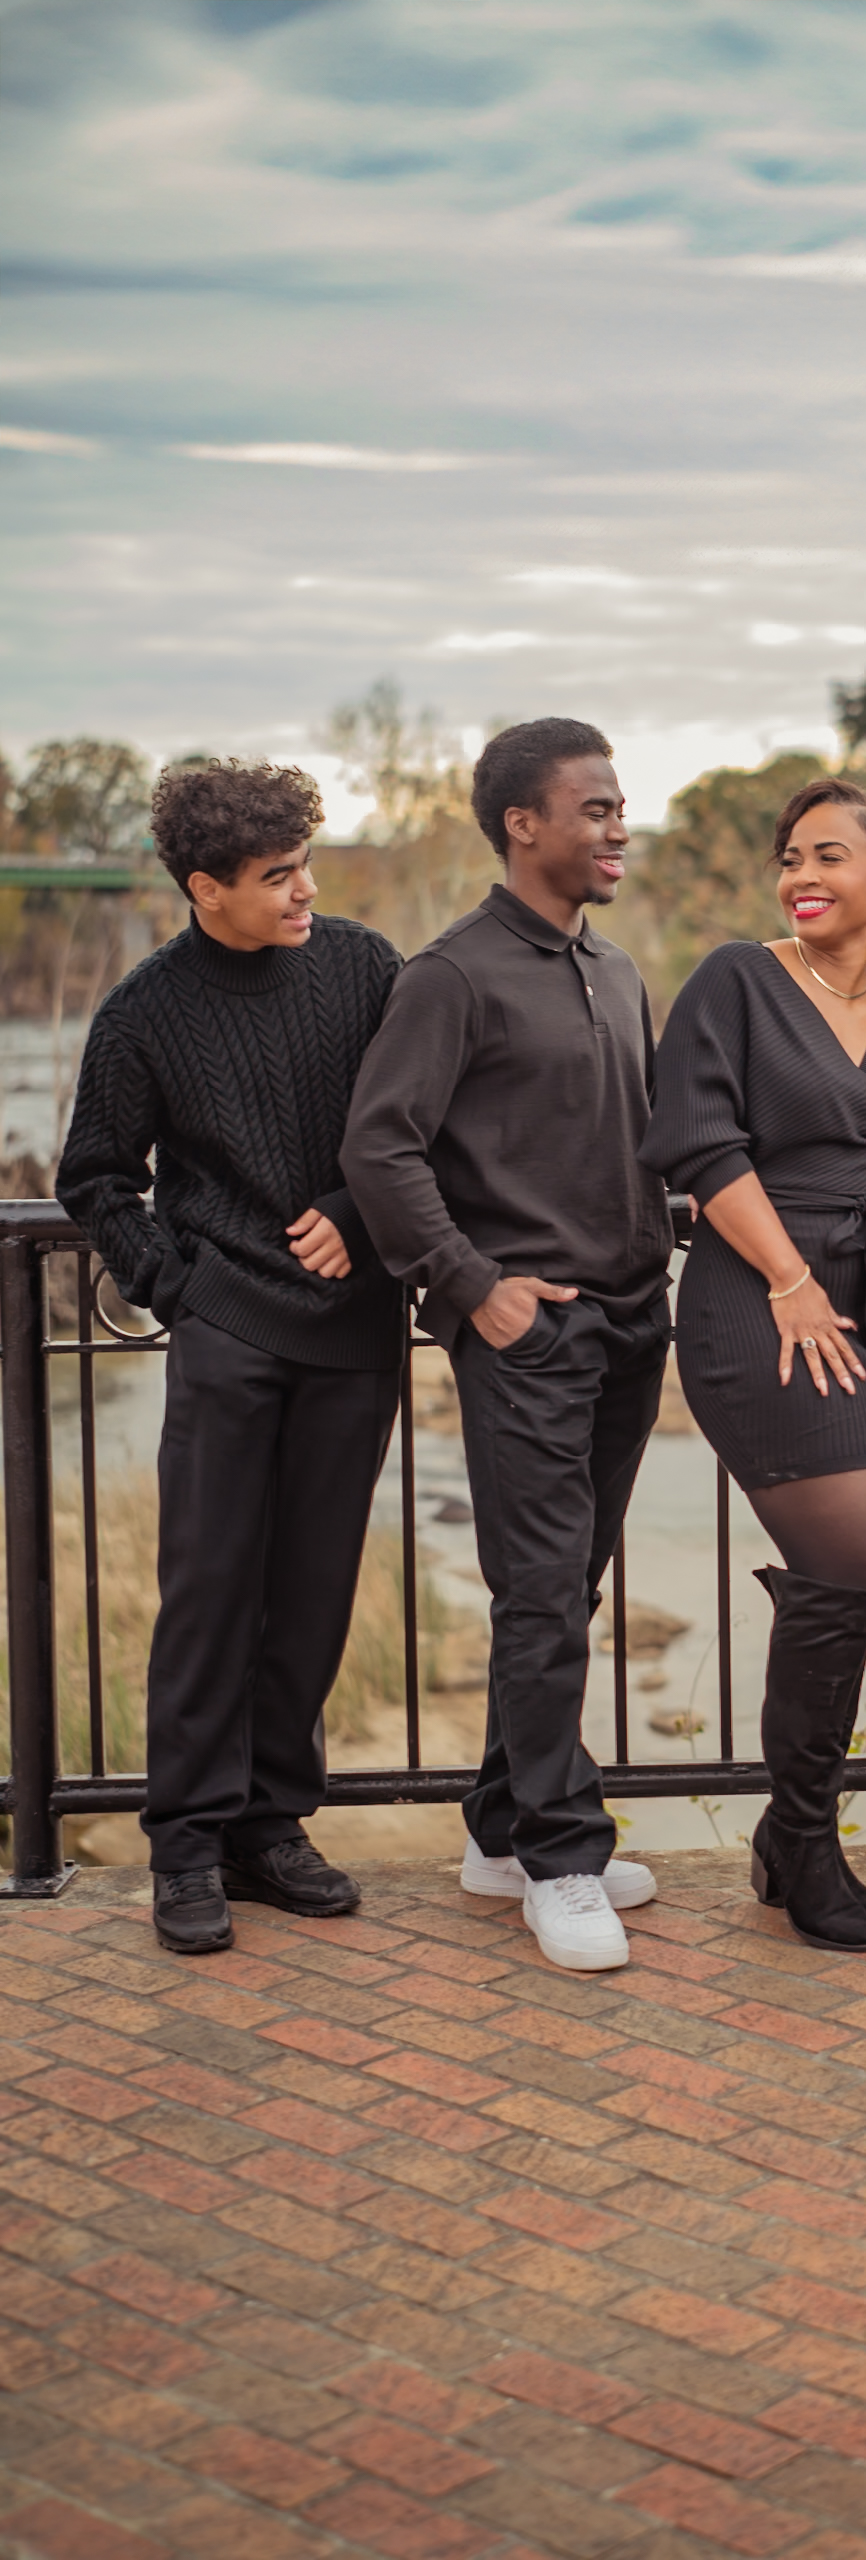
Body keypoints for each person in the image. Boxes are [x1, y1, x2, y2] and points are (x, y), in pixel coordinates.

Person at [341, 718, 672, 1974]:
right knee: (539, 1594)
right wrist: (474, 1287)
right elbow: (380, 1146)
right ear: (522, 824)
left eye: (619, 806)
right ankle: (561, 1857)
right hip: (530, 1336)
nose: (618, 827)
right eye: (594, 808)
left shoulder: (616, 968)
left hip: (631, 1324)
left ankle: (501, 1829)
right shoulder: (452, 974)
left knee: (565, 1590)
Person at [57, 762, 404, 1957]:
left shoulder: (364, 969)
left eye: (306, 865)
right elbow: (96, 1178)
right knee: (209, 1594)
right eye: (277, 876)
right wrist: (181, 1290)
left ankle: (269, 1827)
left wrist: (355, 1214)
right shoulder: (143, 1012)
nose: (305, 890)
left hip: (353, 1332)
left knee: (312, 1593)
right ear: (205, 887)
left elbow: (420, 1124)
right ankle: (187, 1845)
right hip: (228, 1336)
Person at [639, 778, 866, 1953]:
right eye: (790, 857)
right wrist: (790, 1279)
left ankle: (790, 1834)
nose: (801, 876)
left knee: (851, 1575)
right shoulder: (736, 980)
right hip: (759, 1294)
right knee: (846, 1554)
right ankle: (802, 1839)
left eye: (828, 856)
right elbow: (698, 1143)